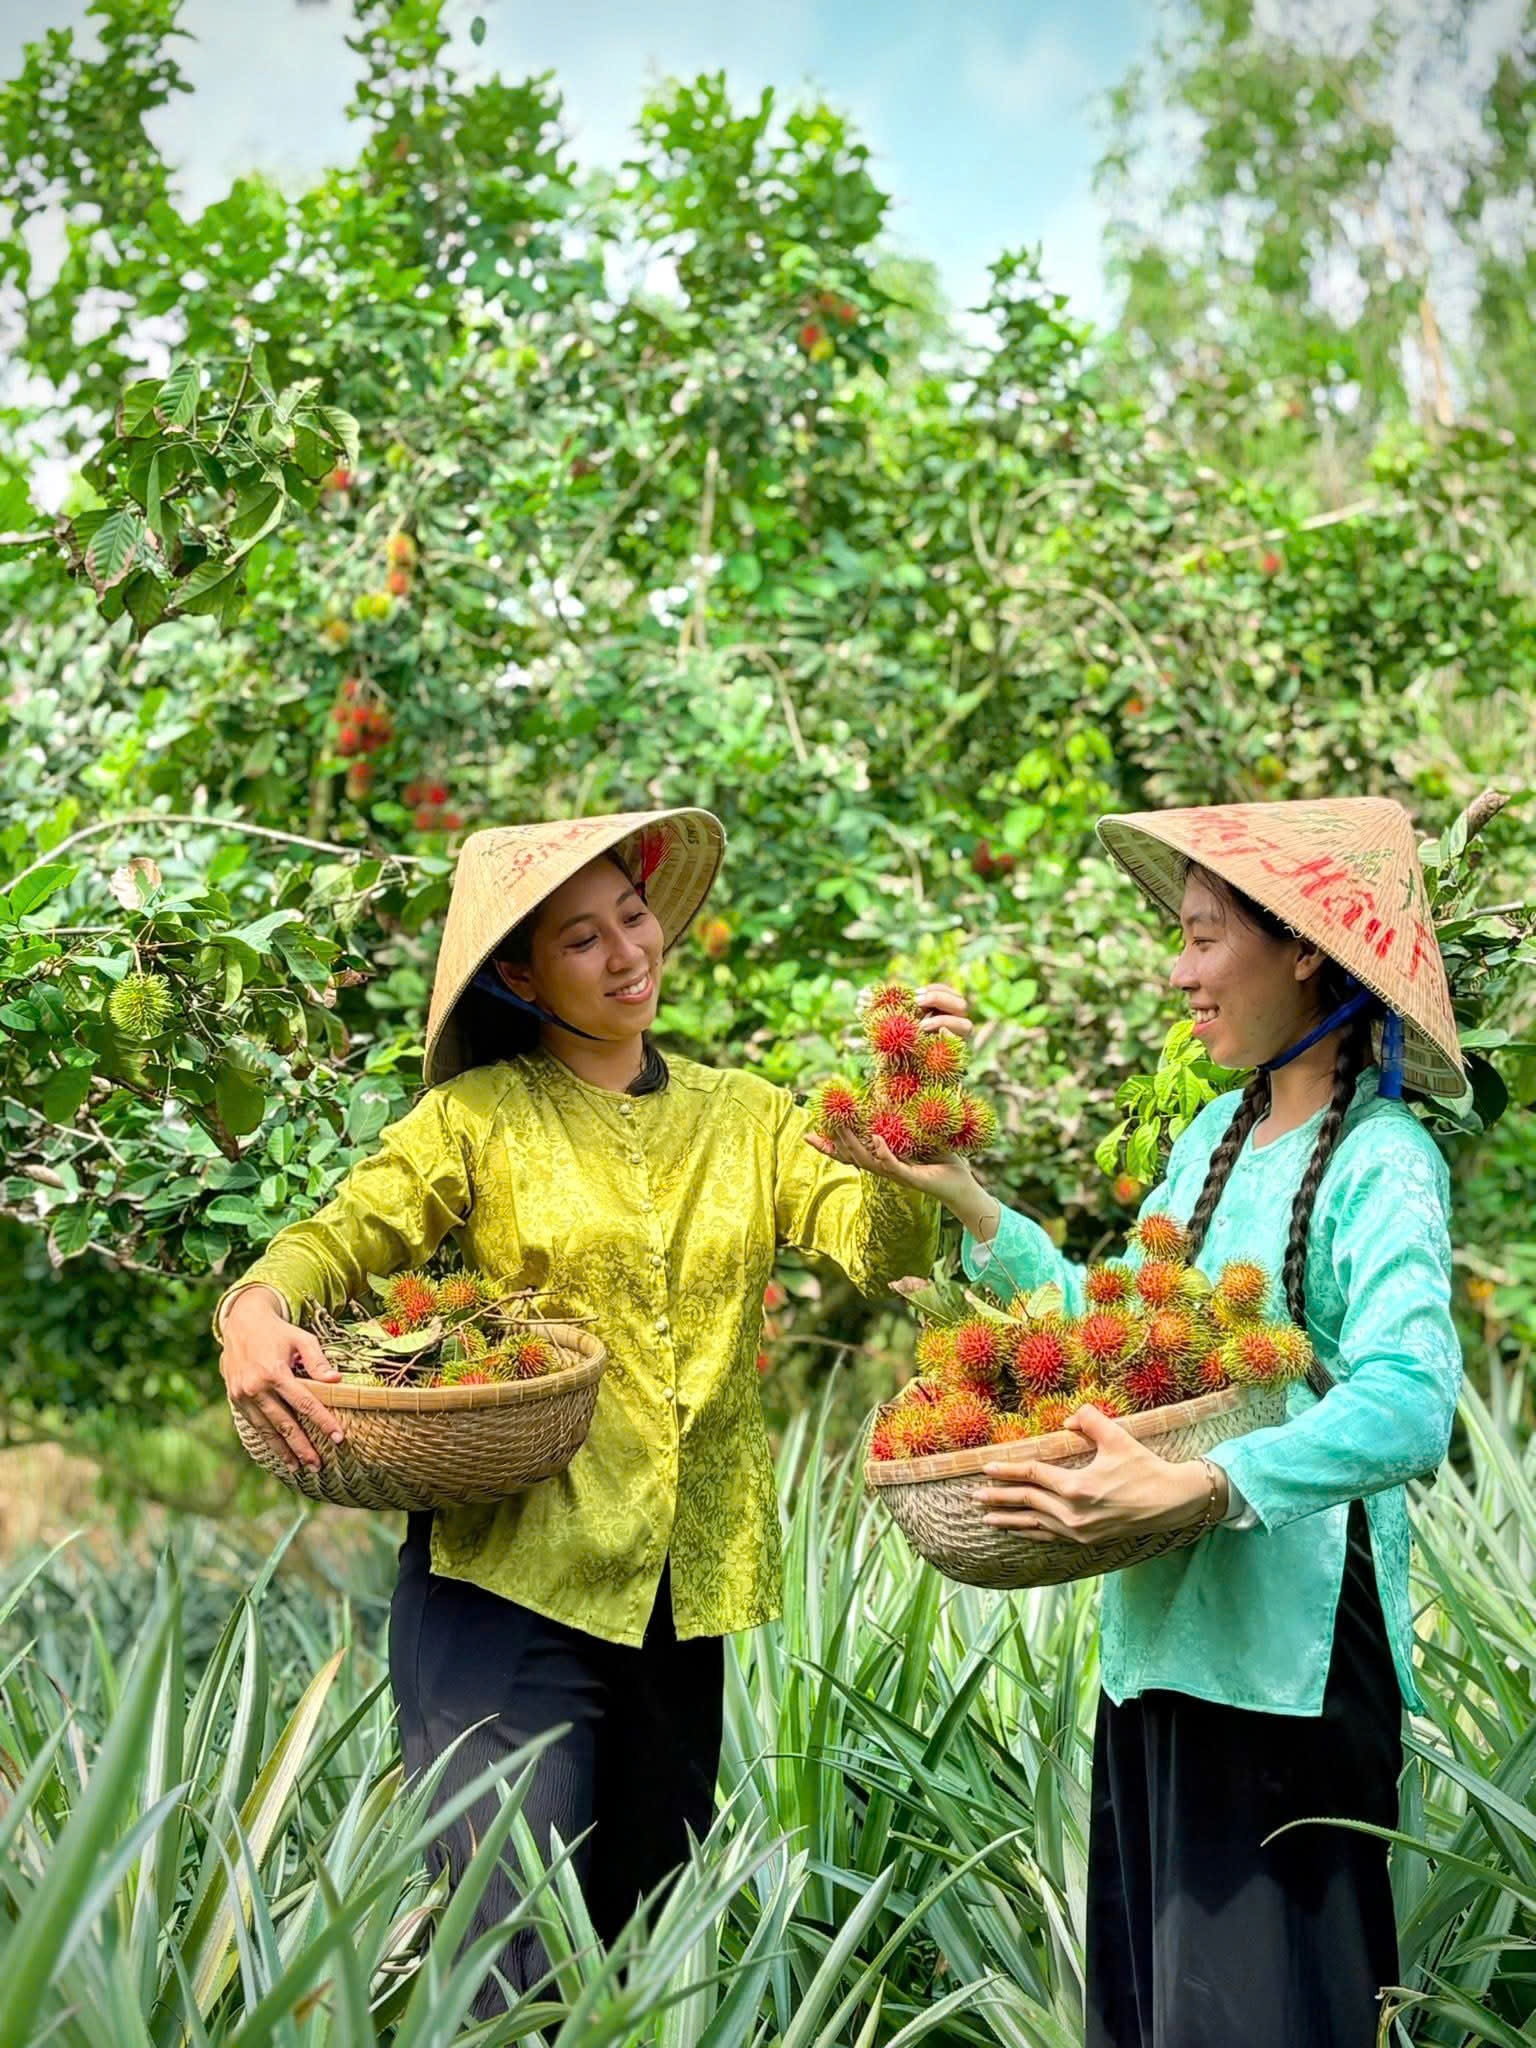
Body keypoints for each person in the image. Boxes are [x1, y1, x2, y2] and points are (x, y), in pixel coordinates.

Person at [215, 806, 965, 2012]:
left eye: (634, 917)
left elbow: (874, 1246)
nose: (628, 953)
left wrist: (915, 1115)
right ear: (520, 972)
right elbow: (345, 1231)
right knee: (510, 1970)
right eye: (582, 938)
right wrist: (256, 1308)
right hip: (512, 1588)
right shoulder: (478, 1117)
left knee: (651, 1964)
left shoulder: (747, 1112)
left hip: (688, 1590)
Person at [820, 797, 1465, 2048]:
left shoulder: (1382, 1157)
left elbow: (1409, 1400)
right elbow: (1108, 1326)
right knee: (1162, 2011)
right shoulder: (1211, 1138)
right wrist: (962, 1196)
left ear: (1308, 951)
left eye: (1205, 936)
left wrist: (1204, 1484)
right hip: (1160, 1645)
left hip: (1293, 1668)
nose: (1179, 969)